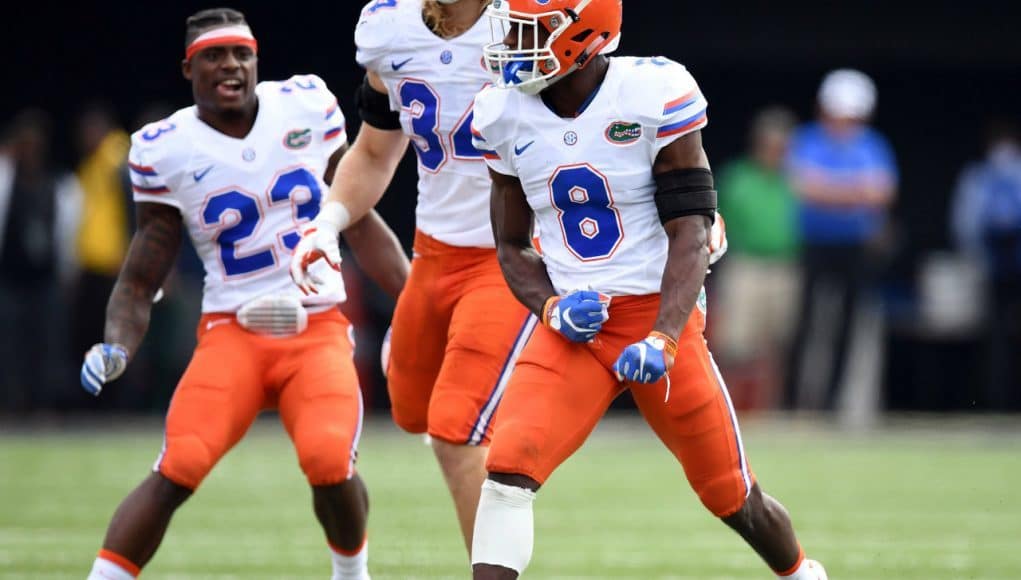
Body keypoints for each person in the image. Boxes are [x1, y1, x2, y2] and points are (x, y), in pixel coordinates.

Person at [466, 1, 826, 579]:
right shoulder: (501, 114)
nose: (511, 41)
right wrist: (552, 307)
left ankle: (805, 575)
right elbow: (511, 246)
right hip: (576, 325)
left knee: (732, 497)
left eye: (527, 29)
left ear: (582, 32)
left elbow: (692, 230)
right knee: (507, 471)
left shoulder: (653, 91)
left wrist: (664, 334)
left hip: (657, 312)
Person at [79, 9, 409, 580]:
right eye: (213, 55)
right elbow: (141, 274)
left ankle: (352, 575)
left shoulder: (304, 105)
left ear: (256, 61)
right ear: (190, 69)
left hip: (317, 325)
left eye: (241, 54)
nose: (230, 65)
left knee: (330, 459)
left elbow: (357, 217)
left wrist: (412, 304)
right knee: (178, 464)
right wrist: (117, 345)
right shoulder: (166, 148)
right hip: (232, 329)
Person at [289, 0, 535, 554]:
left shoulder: (528, 24)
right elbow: (374, 152)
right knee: (412, 412)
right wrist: (327, 225)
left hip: (512, 254)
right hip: (434, 253)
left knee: (456, 433)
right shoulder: (390, 30)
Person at [785, 69, 897, 411]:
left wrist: (828, 189)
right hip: (813, 244)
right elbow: (802, 186)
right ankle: (794, 400)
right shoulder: (807, 139)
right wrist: (855, 191)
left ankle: (834, 402)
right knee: (804, 323)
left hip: (856, 246)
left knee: (849, 325)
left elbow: (882, 192)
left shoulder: (872, 144)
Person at [714, 107, 800, 408]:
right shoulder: (738, 178)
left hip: (786, 267)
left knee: (775, 346)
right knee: (735, 345)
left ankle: (768, 412)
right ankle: (725, 408)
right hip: (744, 266)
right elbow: (719, 221)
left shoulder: (798, 180)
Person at [951, 118, 1021, 409]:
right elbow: (965, 224)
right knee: (994, 338)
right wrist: (976, 260)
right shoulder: (978, 177)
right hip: (991, 269)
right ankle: (995, 398)